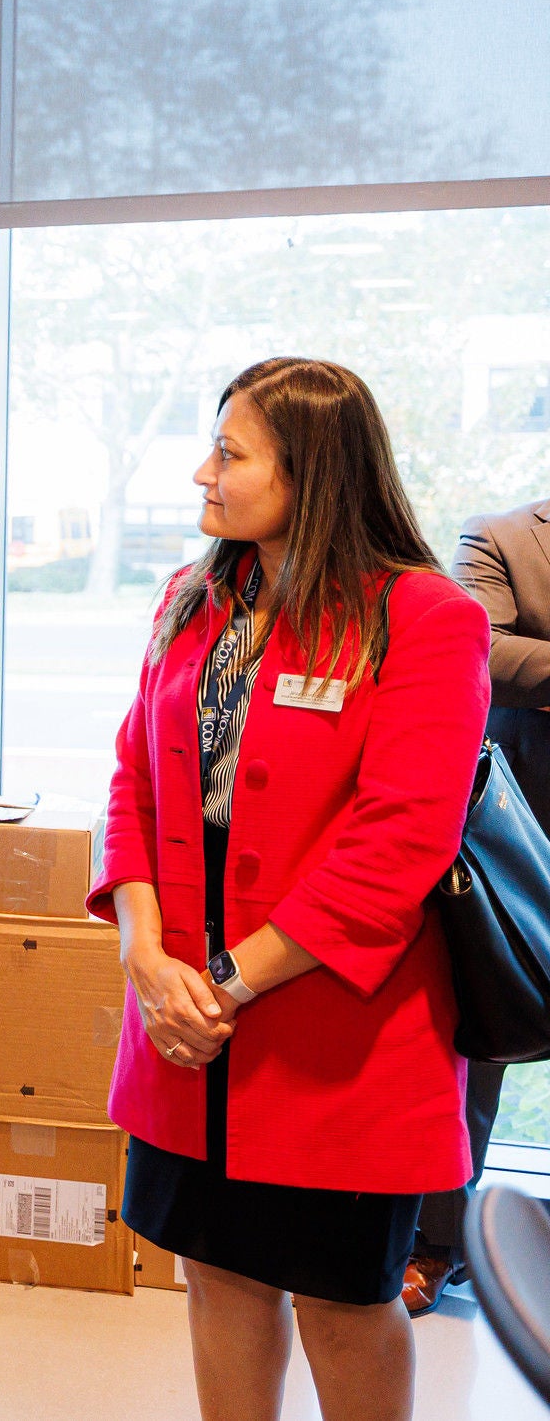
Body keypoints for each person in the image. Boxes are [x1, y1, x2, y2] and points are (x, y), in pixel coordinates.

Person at [91, 357, 489, 1421]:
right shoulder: (193, 601)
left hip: (332, 1031)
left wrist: (221, 986)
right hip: (185, 1020)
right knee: (215, 1275)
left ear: (310, 470)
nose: (202, 474)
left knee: (342, 1300)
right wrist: (143, 954)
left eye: (228, 454)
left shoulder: (421, 616)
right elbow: (132, 780)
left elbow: (398, 843)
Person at [402, 495, 550, 1312]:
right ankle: (436, 1245)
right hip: (521, 837)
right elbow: (485, 651)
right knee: (482, 1043)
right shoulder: (502, 537)